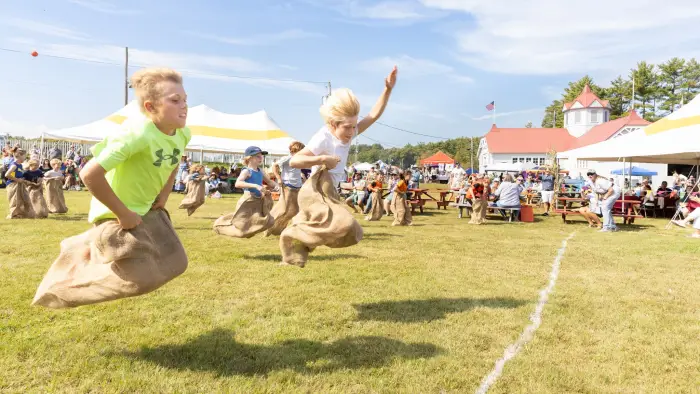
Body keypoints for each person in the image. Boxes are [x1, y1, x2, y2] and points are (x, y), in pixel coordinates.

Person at [32, 67, 192, 308]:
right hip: (116, 215)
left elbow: (174, 160)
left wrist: (165, 193)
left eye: (185, 99)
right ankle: (62, 288)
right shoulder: (136, 134)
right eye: (175, 100)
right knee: (141, 279)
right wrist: (123, 213)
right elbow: (89, 174)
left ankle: (86, 243)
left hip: (147, 209)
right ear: (150, 107)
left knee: (177, 262)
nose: (184, 106)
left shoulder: (182, 134)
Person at [289, 66, 397, 186]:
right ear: (333, 123)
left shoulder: (349, 133)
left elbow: (373, 115)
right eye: (347, 127)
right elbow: (294, 161)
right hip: (317, 194)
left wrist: (387, 90)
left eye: (354, 126)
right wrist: (322, 159)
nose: (352, 132)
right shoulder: (323, 137)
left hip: (332, 192)